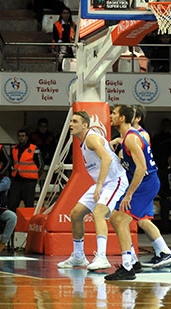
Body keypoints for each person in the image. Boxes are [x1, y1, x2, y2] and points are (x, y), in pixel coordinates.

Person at [105, 105, 171, 281]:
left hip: (145, 183)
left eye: (114, 113)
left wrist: (129, 194)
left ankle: (128, 267)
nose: (111, 116)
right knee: (117, 218)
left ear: (122, 118)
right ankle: (135, 260)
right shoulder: (126, 137)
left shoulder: (132, 138)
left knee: (120, 219)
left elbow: (142, 168)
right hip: (143, 183)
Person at [57, 111, 128, 271]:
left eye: (75, 121)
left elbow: (108, 159)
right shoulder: (84, 141)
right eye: (71, 121)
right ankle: (78, 256)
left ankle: (102, 257)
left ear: (85, 125)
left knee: (98, 213)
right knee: (76, 214)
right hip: (102, 183)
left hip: (115, 181)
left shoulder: (91, 137)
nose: (71, 124)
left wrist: (99, 185)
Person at [8, 128, 42, 212]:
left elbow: (40, 164)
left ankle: (28, 224)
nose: (21, 138)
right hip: (16, 180)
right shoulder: (14, 149)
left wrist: (36, 176)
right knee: (12, 204)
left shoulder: (34, 148)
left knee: (29, 205)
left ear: (27, 137)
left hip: (29, 181)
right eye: (19, 136)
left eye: (23, 136)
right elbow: (11, 163)